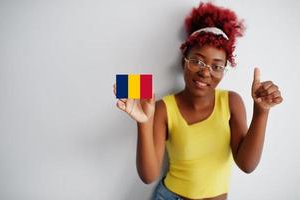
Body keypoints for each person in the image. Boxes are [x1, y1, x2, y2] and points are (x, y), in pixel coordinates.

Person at [113, 2, 283, 200]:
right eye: (197, 61)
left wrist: (261, 112)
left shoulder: (232, 102)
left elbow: (247, 165)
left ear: (225, 70)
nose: (205, 72)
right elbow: (148, 176)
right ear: (184, 60)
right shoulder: (163, 107)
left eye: (216, 66)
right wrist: (143, 123)